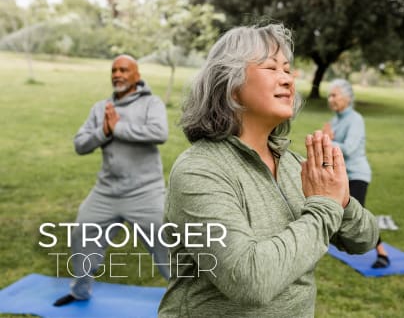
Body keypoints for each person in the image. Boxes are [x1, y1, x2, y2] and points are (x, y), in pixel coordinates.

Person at [157, 24, 379, 318]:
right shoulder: (199, 171)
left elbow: (365, 238)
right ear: (230, 83)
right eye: (271, 68)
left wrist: (341, 199)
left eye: (287, 69)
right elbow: (249, 281)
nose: (287, 79)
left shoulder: (295, 166)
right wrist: (325, 207)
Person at [53, 54, 170, 306]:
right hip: (106, 192)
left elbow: (159, 133)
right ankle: (80, 291)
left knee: (167, 246)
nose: (117, 74)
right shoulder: (100, 108)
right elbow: (80, 145)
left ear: (136, 76)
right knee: (81, 236)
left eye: (124, 70)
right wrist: (104, 131)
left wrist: (117, 129)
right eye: (114, 70)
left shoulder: (152, 103)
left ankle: (190, 299)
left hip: (145, 192)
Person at [322, 78, 390, 269]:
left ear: (347, 98)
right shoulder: (335, 120)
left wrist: (327, 140)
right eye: (329, 95)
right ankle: (331, 242)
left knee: (359, 215)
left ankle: (383, 254)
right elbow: (332, 148)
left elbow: (349, 149)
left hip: (357, 173)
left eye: (334, 95)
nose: (330, 99)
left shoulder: (356, 119)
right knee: (337, 210)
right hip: (341, 175)